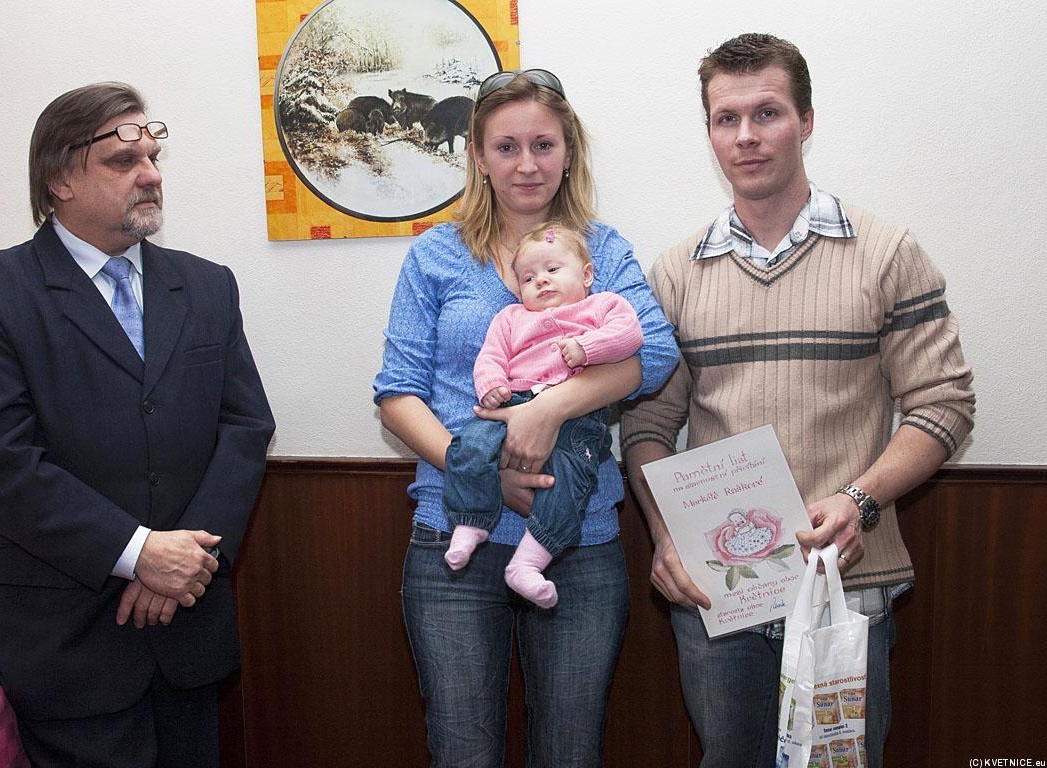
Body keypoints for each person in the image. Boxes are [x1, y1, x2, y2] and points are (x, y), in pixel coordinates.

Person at [620, 34, 975, 768]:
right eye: (726, 118)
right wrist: (665, 535)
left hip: (848, 589)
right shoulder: (675, 273)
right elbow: (648, 425)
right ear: (709, 132)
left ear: (806, 121)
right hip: (719, 594)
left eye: (768, 113)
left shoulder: (887, 252)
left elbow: (944, 403)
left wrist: (859, 499)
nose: (746, 136)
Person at [0, 82, 275, 768]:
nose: (150, 175)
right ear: (59, 179)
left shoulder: (207, 285)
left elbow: (244, 426)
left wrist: (187, 562)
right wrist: (137, 552)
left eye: (153, 157)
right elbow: (0, 463)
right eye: (124, 161)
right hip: (70, 651)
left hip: (188, 637)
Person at [374, 69, 678, 766]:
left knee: (570, 750)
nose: (527, 164)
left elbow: (654, 353)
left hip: (578, 543)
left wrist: (547, 411)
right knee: (462, 751)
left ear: (568, 151)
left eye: (544, 144)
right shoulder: (436, 254)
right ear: (478, 157)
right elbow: (397, 394)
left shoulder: (602, 251)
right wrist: (480, 469)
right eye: (506, 147)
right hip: (452, 536)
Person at [443, 221, 644, 609]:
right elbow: (490, 357)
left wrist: (587, 348)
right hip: (510, 403)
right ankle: (469, 523)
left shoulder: (603, 306)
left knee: (568, 480)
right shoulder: (510, 318)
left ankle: (529, 562)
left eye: (553, 269)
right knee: (469, 445)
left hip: (579, 417)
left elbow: (630, 336)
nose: (542, 281)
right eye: (529, 278)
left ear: (587, 275)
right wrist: (492, 385)